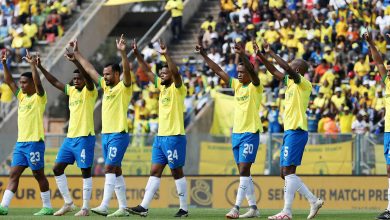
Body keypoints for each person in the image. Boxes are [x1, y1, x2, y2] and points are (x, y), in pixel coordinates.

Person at [253, 41, 323, 220]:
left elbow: (284, 68)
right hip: (290, 130)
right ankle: (311, 201)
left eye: (291, 67)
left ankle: (288, 211)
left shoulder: (303, 82)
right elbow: (275, 72)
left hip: (297, 130)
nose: (287, 68)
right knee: (284, 173)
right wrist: (262, 56)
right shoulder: (290, 82)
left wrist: (273, 53)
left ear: (297, 70)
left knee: (287, 172)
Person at [197, 42, 262, 218]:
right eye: (238, 72)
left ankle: (236, 208)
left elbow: (254, 73)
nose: (239, 75)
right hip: (237, 134)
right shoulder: (237, 85)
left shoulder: (255, 86)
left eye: (243, 72)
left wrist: (242, 56)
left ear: (249, 72)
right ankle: (254, 208)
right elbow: (218, 70)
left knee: (243, 171)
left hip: (250, 133)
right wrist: (204, 55)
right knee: (244, 172)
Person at [126, 39, 188, 218]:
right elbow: (146, 70)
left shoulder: (178, 87)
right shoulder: (161, 87)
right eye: (160, 73)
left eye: (164, 72)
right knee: (154, 171)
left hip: (174, 136)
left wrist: (165, 54)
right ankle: (144, 207)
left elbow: (175, 72)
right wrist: (137, 54)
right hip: (160, 137)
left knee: (176, 171)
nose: (161, 75)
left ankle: (184, 208)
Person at [72, 35, 132, 217]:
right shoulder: (105, 88)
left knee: (108, 168)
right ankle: (123, 208)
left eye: (107, 74)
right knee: (117, 170)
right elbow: (90, 69)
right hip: (106, 134)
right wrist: (77, 53)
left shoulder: (124, 87)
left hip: (118, 134)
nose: (104, 77)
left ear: (116, 74)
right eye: (103, 74)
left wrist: (123, 53)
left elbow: (127, 72)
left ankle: (105, 205)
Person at [37, 48, 97, 216]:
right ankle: (69, 203)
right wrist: (40, 67)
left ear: (84, 80)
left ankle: (85, 207)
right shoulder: (71, 91)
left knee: (85, 171)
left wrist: (75, 61)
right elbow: (55, 82)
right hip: (70, 139)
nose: (76, 81)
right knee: (57, 168)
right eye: (74, 79)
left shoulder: (90, 91)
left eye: (79, 78)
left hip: (85, 138)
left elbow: (88, 78)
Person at [0, 49, 53, 216]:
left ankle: (47, 206)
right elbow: (9, 82)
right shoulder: (21, 97)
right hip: (21, 144)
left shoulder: (39, 97)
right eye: (21, 82)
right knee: (13, 174)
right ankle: (4, 206)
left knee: (39, 175)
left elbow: (39, 84)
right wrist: (4, 64)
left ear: (31, 83)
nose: (21, 85)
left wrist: (33, 66)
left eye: (24, 83)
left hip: (35, 143)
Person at [364, 31, 390, 219]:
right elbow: (379, 62)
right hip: (389, 131)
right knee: (389, 170)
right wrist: (372, 44)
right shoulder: (388, 82)